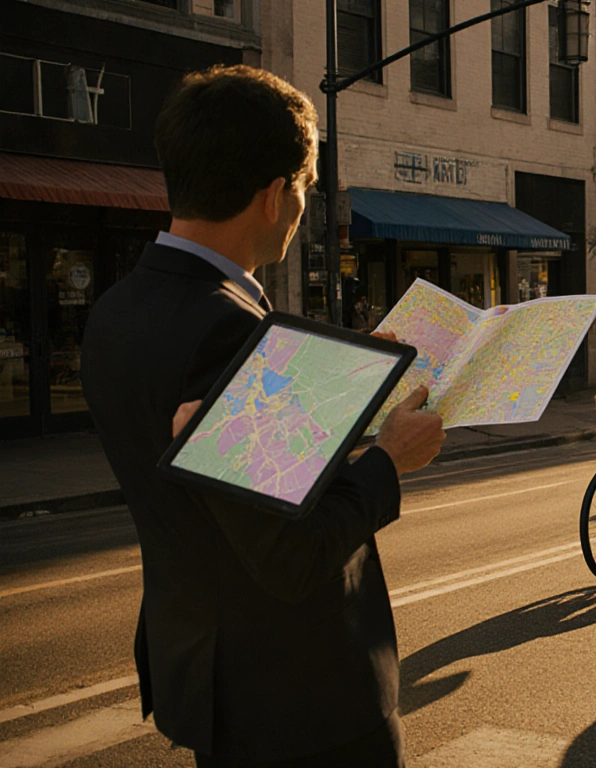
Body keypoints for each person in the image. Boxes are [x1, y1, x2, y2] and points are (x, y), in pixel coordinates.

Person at [79, 65, 447, 767]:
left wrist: (333, 388)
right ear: (275, 195)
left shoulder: (115, 314)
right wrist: (388, 457)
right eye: (306, 189)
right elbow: (290, 555)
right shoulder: (229, 333)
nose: (304, 205)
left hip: (212, 676)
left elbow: (225, 498)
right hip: (304, 703)